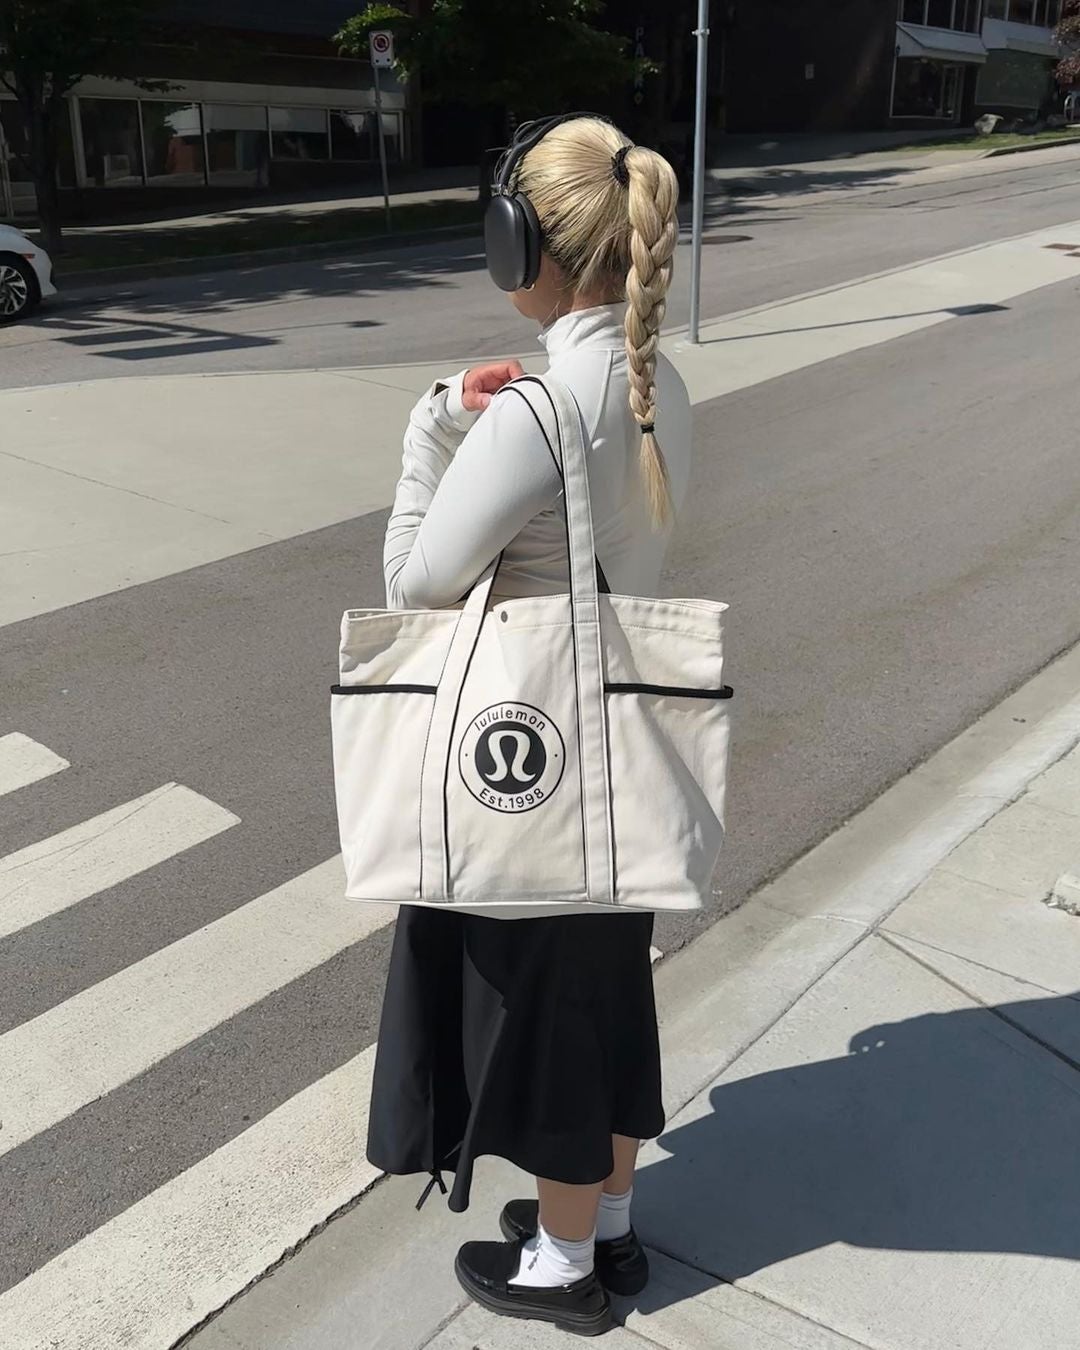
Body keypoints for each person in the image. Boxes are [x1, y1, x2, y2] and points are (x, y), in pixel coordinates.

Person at [365, 113, 692, 1337]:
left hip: (533, 769)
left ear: (523, 247)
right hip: (622, 756)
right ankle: (606, 1225)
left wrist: (431, 422)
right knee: (607, 999)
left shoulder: (535, 412)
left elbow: (411, 583)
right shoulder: (657, 385)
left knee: (551, 1018)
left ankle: (564, 1268)